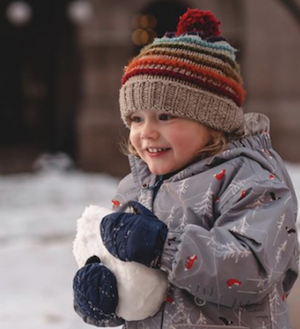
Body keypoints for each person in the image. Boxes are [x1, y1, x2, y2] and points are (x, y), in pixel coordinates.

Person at [73, 8, 299, 329]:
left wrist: (164, 246)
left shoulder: (250, 179)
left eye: (165, 116)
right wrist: (106, 297)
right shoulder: (134, 186)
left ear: (213, 121)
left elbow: (253, 269)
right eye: (136, 118)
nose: (146, 132)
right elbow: (135, 284)